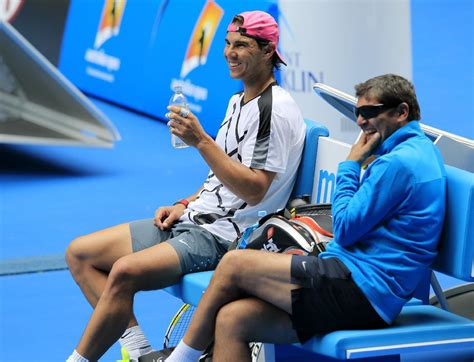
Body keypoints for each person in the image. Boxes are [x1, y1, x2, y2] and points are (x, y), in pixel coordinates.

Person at [65, 10, 306, 362]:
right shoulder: (237, 100)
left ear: (268, 51)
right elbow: (222, 178)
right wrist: (184, 202)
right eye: (227, 44)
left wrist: (201, 142)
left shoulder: (275, 110)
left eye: (241, 45)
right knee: (80, 254)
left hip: (226, 237)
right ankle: (138, 354)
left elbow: (255, 189)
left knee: (125, 271)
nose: (229, 52)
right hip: (193, 219)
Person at [161, 74, 447, 362]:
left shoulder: (397, 164)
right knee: (233, 320)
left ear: (402, 112)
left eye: (370, 112)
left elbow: (345, 228)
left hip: (363, 292)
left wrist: (350, 165)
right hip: (358, 283)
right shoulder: (420, 151)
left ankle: (182, 358)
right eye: (358, 113)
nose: (361, 122)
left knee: (235, 264)